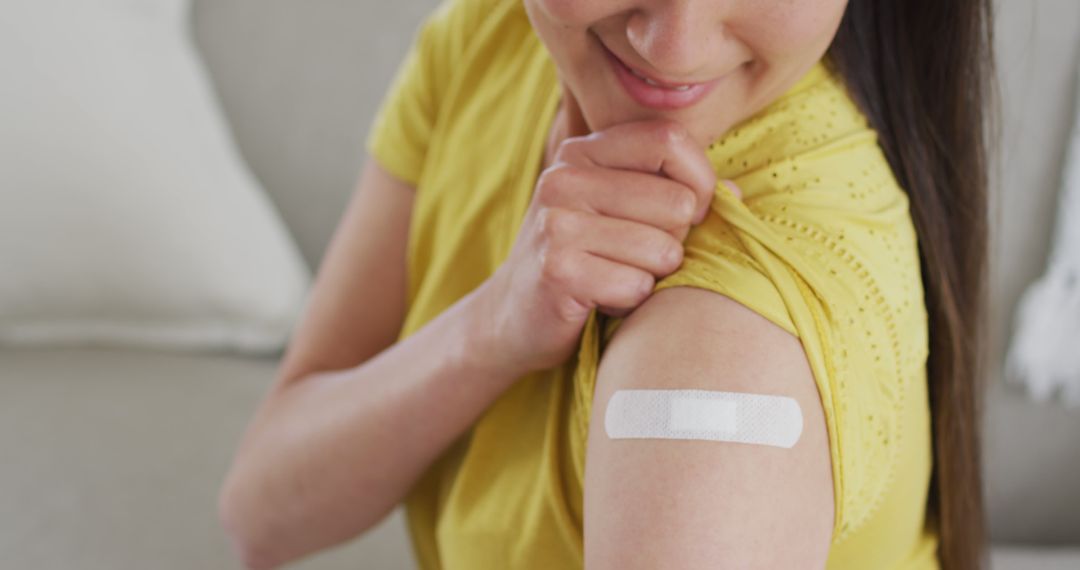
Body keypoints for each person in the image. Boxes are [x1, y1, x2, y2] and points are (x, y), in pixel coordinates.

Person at [217, 0, 997, 568]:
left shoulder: (730, 342)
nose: (676, 44)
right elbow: (262, 509)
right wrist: (491, 329)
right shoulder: (484, 41)